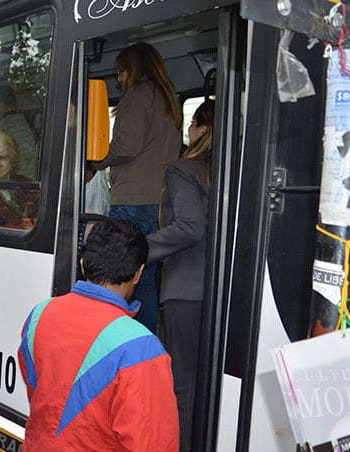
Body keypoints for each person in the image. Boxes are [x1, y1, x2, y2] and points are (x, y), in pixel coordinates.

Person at [19, 219, 179, 451]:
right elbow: (154, 443)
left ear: (83, 265)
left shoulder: (40, 315)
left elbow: (37, 391)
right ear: (138, 274)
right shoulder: (141, 348)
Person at [92, 41, 183, 334]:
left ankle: (123, 336)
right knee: (146, 275)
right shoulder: (168, 100)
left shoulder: (137, 95)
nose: (119, 78)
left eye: (121, 72)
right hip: (157, 201)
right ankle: (145, 338)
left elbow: (125, 146)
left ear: (134, 69)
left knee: (120, 273)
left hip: (131, 198)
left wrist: (94, 160)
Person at [147, 99, 214, 452]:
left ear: (202, 130)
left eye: (191, 125)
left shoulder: (182, 169)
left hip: (184, 292)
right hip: (219, 291)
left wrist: (143, 250)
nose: (187, 132)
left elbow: (189, 227)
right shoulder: (230, 171)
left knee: (183, 387)